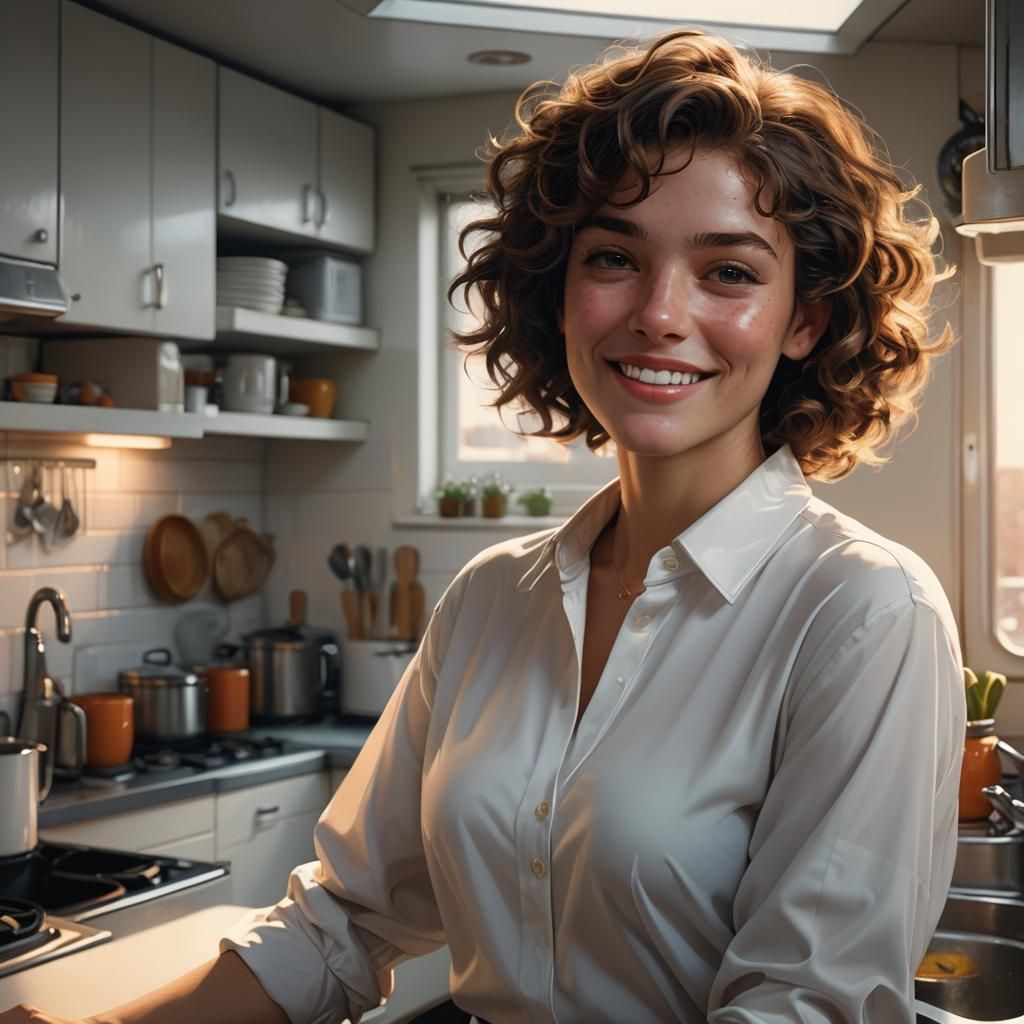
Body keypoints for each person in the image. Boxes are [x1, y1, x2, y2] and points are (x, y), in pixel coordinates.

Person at [3, 27, 964, 1024]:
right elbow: (339, 923)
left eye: (727, 271)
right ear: (558, 294)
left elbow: (800, 1009)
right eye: (613, 258)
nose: (659, 313)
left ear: (804, 317)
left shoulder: (864, 615)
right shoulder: (491, 600)